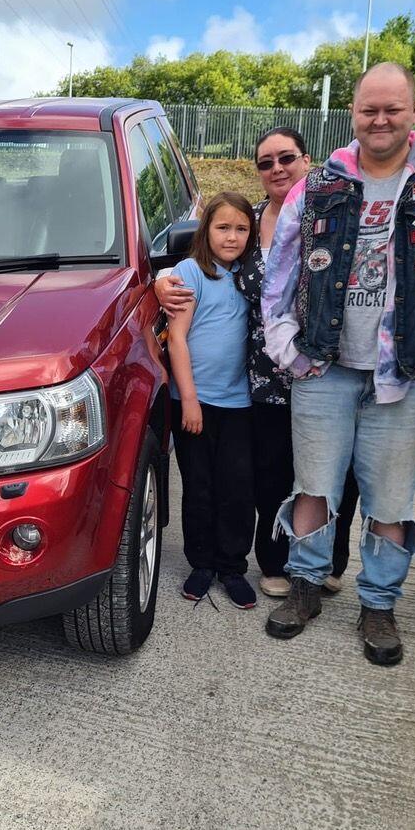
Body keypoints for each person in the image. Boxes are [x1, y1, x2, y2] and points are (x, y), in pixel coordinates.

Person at [261, 62, 415, 665]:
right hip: (324, 366)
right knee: (313, 485)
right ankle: (305, 587)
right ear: (353, 113)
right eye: (368, 109)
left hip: (403, 374)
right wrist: (285, 345)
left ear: (414, 110)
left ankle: (379, 603)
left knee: (390, 499)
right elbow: (279, 270)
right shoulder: (319, 187)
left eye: (392, 108)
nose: (379, 119)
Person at [156, 127, 360, 599]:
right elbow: (198, 275)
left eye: (286, 158)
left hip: (329, 374)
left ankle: (325, 561)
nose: (277, 169)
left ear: (307, 160)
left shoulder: (337, 211)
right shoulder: (249, 222)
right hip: (261, 384)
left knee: (333, 472)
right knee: (259, 478)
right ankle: (266, 562)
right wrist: (160, 281)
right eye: (265, 162)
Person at [166, 191, 258, 609]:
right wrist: (189, 400)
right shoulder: (191, 272)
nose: (232, 236)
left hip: (238, 403)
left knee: (237, 488)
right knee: (199, 487)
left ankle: (232, 567)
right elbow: (178, 340)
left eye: (241, 228)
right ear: (206, 230)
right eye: (223, 227)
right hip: (194, 403)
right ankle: (201, 564)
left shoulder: (250, 275)